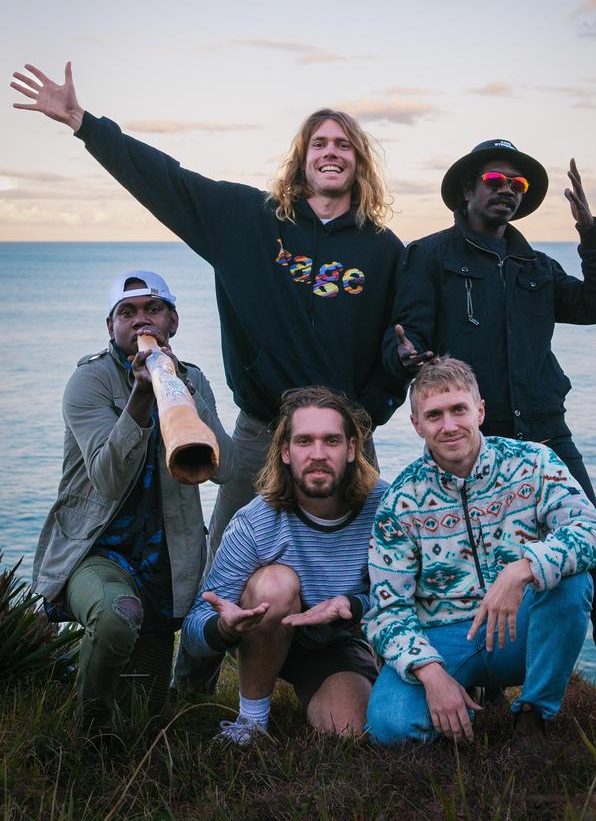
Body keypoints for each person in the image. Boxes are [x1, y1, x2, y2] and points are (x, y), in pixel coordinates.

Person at [12, 62, 405, 691]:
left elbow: (400, 341)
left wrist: (372, 411)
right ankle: (189, 691)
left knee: (368, 559)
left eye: (344, 145)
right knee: (221, 563)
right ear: (302, 158)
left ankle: (356, 674)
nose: (331, 153)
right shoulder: (247, 221)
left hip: (342, 435)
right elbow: (167, 181)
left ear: (360, 162)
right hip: (260, 429)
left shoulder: (385, 251)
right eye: (319, 143)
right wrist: (86, 125)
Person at [382, 138, 596, 719]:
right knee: (472, 560)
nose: (507, 189)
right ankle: (481, 674)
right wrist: (406, 356)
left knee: (593, 558)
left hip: (545, 434)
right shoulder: (429, 255)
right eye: (497, 179)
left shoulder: (536, 266)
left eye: (518, 185)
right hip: (474, 439)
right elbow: (407, 334)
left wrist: (590, 232)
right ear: (468, 190)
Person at [364, 357, 596, 746]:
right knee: (391, 727)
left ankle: (534, 715)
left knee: (572, 583)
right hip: (445, 637)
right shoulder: (400, 503)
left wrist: (522, 569)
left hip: (520, 628)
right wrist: (431, 675)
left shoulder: (533, 462)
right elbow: (386, 611)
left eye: (458, 409)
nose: (449, 426)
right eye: (434, 415)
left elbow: (595, 535)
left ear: (480, 411)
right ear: (417, 425)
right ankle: (458, 696)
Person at [33, 271, 236, 732]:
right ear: (111, 327)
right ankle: (84, 733)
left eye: (152, 309)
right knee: (114, 618)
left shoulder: (194, 379)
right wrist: (142, 398)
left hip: (164, 560)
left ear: (173, 321)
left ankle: (104, 715)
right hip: (96, 550)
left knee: (140, 721)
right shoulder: (90, 381)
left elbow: (226, 468)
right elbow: (106, 480)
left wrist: (179, 386)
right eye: (127, 312)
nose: (140, 320)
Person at [181, 386, 385, 743]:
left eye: (331, 441)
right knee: (275, 583)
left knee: (354, 730)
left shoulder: (385, 507)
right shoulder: (256, 521)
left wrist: (353, 606)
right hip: (265, 629)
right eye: (304, 441)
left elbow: (408, 594)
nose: (318, 454)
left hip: (334, 641)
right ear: (285, 452)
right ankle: (251, 723)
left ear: (352, 449)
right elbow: (196, 628)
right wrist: (225, 630)